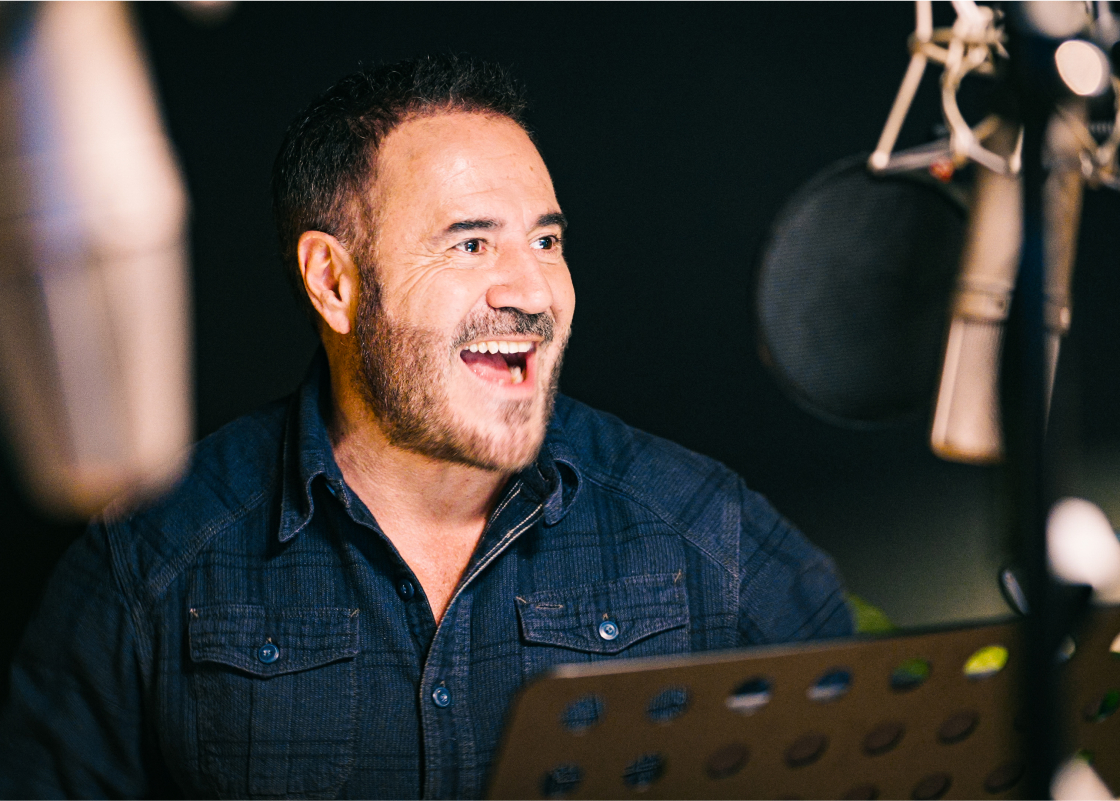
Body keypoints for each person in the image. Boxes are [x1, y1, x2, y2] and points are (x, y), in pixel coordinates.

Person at [0, 55, 851, 799]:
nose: (531, 289)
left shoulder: (702, 526)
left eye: (547, 241)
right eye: (471, 245)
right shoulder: (152, 555)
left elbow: (871, 752)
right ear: (332, 282)